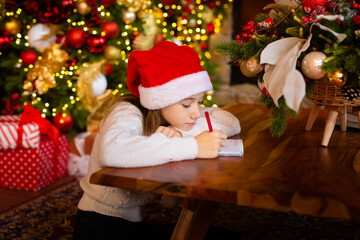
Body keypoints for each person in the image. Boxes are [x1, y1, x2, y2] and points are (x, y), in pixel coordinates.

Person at [73, 41, 241, 239]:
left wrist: (181, 134)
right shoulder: (126, 112)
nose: (196, 112)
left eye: (200, 102)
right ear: (160, 99)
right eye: (187, 104)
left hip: (136, 222)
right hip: (99, 224)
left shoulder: (173, 116)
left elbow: (231, 122)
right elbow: (112, 152)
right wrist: (193, 145)